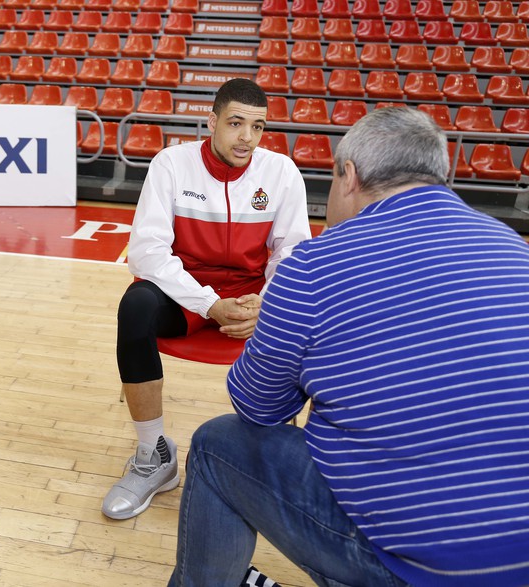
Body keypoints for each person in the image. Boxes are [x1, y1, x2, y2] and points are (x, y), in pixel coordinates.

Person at [168, 106, 529, 586]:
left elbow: (257, 407)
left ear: (349, 177)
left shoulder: (316, 264)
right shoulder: (513, 248)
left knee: (219, 444)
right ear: (444, 175)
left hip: (419, 570)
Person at [102, 78, 311, 520]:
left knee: (307, 316)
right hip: (188, 294)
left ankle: (275, 463)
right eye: (236, 124)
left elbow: (292, 252)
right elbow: (146, 251)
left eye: (257, 127)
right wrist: (209, 304)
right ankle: (153, 455)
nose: (247, 138)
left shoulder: (281, 172)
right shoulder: (172, 164)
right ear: (211, 121)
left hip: (253, 297)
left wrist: (265, 304)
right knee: (136, 308)